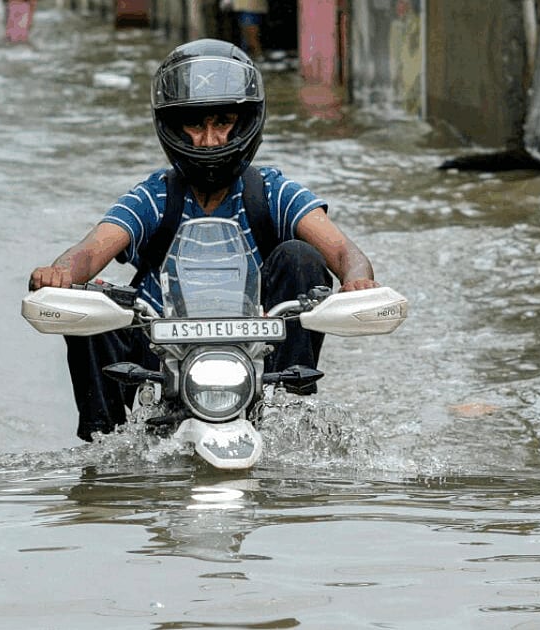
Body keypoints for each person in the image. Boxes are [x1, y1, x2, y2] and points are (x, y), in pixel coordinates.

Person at [29, 39, 379, 441]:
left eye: (223, 122)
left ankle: (290, 409)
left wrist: (357, 281)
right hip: (160, 358)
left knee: (301, 256)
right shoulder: (154, 196)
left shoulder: (272, 192)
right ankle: (105, 450)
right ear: (173, 127)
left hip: (258, 357)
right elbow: (90, 251)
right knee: (89, 295)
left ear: (246, 121)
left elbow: (343, 251)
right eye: (195, 124)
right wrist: (60, 273)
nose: (209, 140)